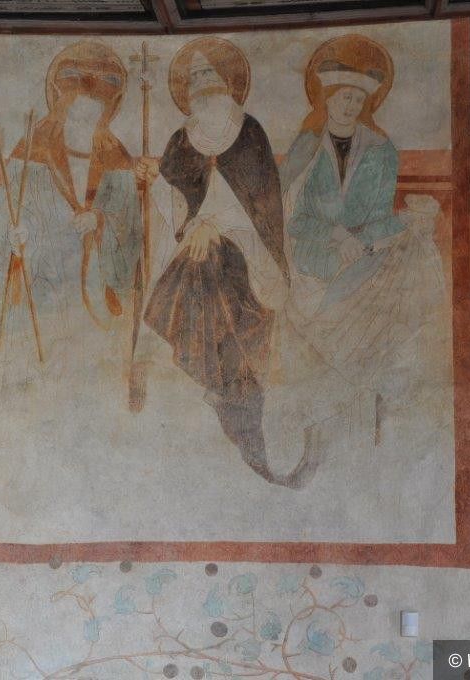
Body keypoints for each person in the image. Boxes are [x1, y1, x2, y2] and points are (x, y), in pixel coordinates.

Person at [138, 37, 311, 486]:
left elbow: (262, 205)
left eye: (209, 75)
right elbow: (174, 202)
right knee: (197, 267)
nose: (202, 84)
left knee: (211, 264)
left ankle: (233, 396)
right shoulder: (181, 140)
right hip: (195, 249)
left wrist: (215, 227)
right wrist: (157, 183)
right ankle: (220, 389)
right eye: (194, 77)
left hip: (250, 252)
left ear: (228, 82)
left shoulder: (249, 132)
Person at [278, 34, 446, 450]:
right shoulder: (306, 147)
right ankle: (317, 432)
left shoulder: (381, 151)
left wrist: (363, 242)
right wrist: (336, 236)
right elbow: (292, 218)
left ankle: (369, 431)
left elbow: (382, 218)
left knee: (407, 266)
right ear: (327, 98)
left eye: (358, 98)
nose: (350, 105)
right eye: (343, 96)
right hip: (313, 259)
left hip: (365, 257)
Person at [0, 41, 142, 390]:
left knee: (92, 378)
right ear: (61, 101)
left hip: (95, 286)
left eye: (95, 109)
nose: (85, 114)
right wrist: (15, 237)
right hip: (45, 284)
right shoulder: (33, 148)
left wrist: (99, 220)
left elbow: (130, 224)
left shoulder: (115, 154)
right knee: (42, 379)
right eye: (78, 105)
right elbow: (8, 211)